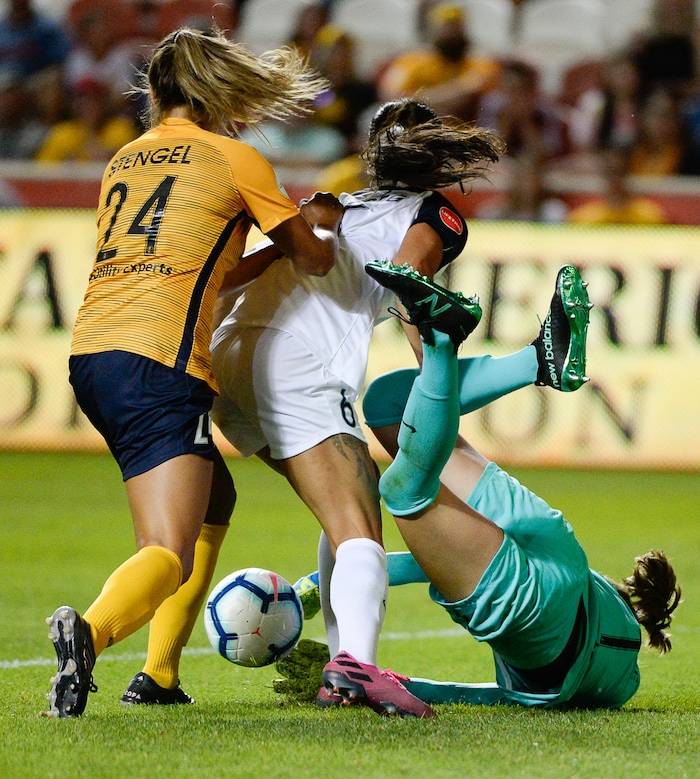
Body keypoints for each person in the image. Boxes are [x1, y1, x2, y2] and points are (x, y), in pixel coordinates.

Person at [129, 98, 505, 718]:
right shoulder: (437, 214)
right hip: (297, 367)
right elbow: (409, 277)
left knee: (343, 510)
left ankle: (339, 660)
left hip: (228, 352)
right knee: (360, 523)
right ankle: (354, 668)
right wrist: (435, 367)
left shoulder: (338, 204)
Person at [44, 25, 343, 718]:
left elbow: (196, 268)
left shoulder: (125, 160)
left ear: (154, 92)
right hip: (159, 364)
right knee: (168, 551)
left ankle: (160, 675)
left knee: (215, 499)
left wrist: (263, 254)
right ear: (221, 90)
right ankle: (86, 635)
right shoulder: (237, 158)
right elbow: (318, 259)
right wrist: (313, 220)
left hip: (94, 356)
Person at [284, 264, 681, 711]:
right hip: (536, 619)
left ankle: (533, 361)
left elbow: (434, 561)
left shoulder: (620, 661)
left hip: (553, 545)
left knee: (387, 407)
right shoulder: (597, 684)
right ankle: (443, 340)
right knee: (404, 491)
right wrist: (403, 683)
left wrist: (321, 585)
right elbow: (496, 695)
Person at [377, 2, 501, 122]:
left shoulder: (481, 63)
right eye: (447, 28)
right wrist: (444, 100)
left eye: (456, 28)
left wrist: (418, 102)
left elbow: (468, 95)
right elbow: (391, 96)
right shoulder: (411, 61)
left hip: (467, 133)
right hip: (416, 128)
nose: (452, 34)